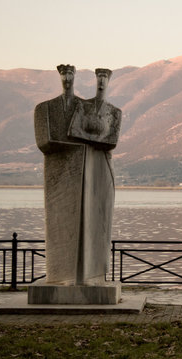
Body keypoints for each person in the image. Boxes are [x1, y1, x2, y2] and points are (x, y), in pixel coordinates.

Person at [34, 65, 121, 286]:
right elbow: (51, 139)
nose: (68, 79)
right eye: (65, 75)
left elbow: (109, 141)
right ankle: (64, 274)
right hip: (62, 173)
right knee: (62, 221)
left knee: (96, 219)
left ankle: (91, 274)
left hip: (96, 169)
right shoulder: (52, 108)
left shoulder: (109, 111)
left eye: (104, 78)